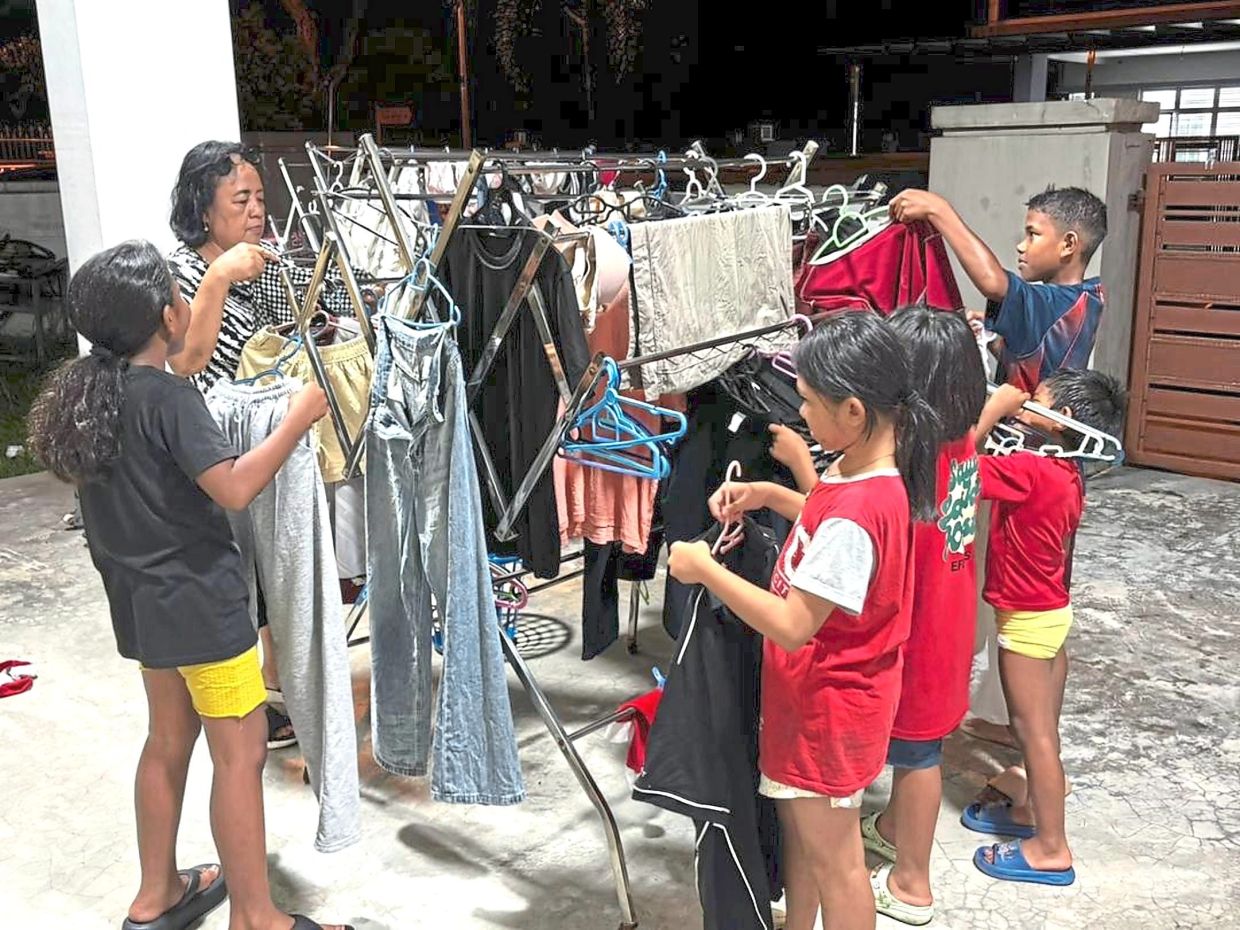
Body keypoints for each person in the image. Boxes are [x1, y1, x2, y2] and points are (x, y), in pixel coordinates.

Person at [26, 241, 351, 930]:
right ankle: (256, 917)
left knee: (167, 742)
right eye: (179, 293)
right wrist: (297, 419)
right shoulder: (169, 399)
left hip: (143, 609)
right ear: (166, 316)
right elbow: (232, 488)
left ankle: (157, 896)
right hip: (203, 610)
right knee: (242, 753)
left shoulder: (94, 398)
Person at [667, 311, 942, 930]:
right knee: (805, 836)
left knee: (837, 862)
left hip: (829, 714)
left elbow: (793, 624)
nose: (801, 414)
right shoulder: (858, 469)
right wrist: (769, 495)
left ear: (853, 411)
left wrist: (705, 570)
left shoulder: (859, 512)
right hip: (818, 703)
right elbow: (822, 515)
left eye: (810, 403)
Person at [166, 140, 359, 750]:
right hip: (210, 451)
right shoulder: (181, 273)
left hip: (267, 439)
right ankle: (247, 700)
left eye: (259, 198)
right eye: (240, 200)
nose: (255, 211)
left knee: (271, 570)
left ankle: (277, 691)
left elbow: (314, 302)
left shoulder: (262, 263)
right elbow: (185, 362)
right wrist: (220, 277)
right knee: (236, 574)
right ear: (203, 210)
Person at [962, 370, 1126, 887]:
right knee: (1042, 733)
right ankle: (1031, 806)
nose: (1024, 404)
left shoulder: (1031, 470)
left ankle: (1051, 848)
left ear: (1062, 419)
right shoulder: (1066, 470)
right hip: (1051, 614)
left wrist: (989, 413)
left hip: (1027, 623)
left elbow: (958, 473)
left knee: (1033, 737)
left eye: (1036, 400)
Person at [859, 307, 986, 925]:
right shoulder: (962, 443)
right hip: (951, 623)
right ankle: (892, 828)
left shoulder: (909, 467)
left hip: (919, 634)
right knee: (922, 746)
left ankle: (912, 884)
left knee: (915, 757)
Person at [888, 185, 1108, 394]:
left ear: (1068, 244)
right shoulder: (1088, 297)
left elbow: (992, 282)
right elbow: (1035, 363)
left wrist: (938, 209)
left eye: (1032, 234)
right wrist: (991, 338)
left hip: (1023, 422)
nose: (1021, 246)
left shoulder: (1056, 305)